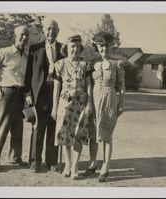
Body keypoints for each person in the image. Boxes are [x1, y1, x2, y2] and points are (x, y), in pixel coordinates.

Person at [0, 25, 29, 172]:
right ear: (15, 36)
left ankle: (15, 158)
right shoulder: (5, 52)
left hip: (20, 94)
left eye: (27, 35)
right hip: (6, 93)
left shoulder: (26, 57)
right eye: (21, 35)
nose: (24, 38)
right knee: (1, 128)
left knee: (17, 128)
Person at [84, 31, 125, 182]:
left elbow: (121, 86)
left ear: (111, 47)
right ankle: (93, 163)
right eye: (100, 46)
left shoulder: (116, 65)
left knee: (106, 134)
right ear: (97, 47)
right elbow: (89, 84)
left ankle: (106, 166)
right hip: (94, 100)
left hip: (109, 100)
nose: (103, 49)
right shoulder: (93, 64)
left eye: (106, 46)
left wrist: (121, 104)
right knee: (93, 134)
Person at [51, 35, 93, 180]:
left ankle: (75, 166)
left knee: (78, 135)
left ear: (80, 48)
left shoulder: (85, 64)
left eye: (77, 46)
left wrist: (90, 103)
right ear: (66, 48)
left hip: (81, 104)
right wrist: (54, 107)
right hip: (65, 103)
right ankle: (68, 165)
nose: (74, 49)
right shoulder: (59, 65)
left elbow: (89, 85)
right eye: (72, 46)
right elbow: (56, 87)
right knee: (65, 135)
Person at [25, 18, 63, 173]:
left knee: (53, 127)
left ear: (58, 32)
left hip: (57, 94)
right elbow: (27, 74)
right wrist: (27, 93)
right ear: (44, 30)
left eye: (54, 29)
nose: (51, 32)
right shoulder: (35, 49)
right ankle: (35, 161)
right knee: (38, 127)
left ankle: (51, 161)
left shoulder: (63, 49)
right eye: (48, 29)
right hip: (39, 94)